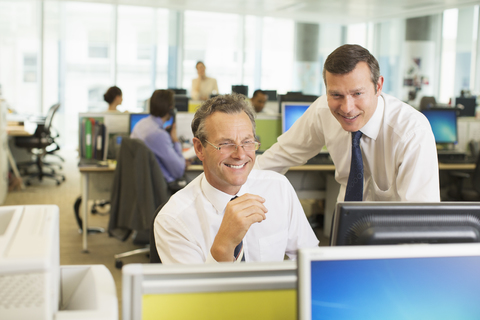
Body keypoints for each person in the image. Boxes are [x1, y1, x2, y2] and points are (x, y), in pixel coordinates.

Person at [255, 44, 440, 202]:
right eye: (336, 95)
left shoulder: (411, 132)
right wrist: (232, 181)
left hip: (393, 233)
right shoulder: (322, 111)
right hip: (345, 224)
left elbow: (420, 217)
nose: (347, 108)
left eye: (357, 94)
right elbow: (279, 157)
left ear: (378, 86)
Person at [154, 93, 319, 264]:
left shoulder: (278, 188)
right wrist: (223, 246)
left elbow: (312, 262)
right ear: (199, 148)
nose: (240, 154)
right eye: (225, 144)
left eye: (247, 142)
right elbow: (194, 291)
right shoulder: (173, 219)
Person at [130, 89, 187, 190]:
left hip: (142, 185)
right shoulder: (158, 135)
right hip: (161, 189)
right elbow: (178, 171)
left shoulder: (140, 124)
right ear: (170, 109)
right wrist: (176, 141)